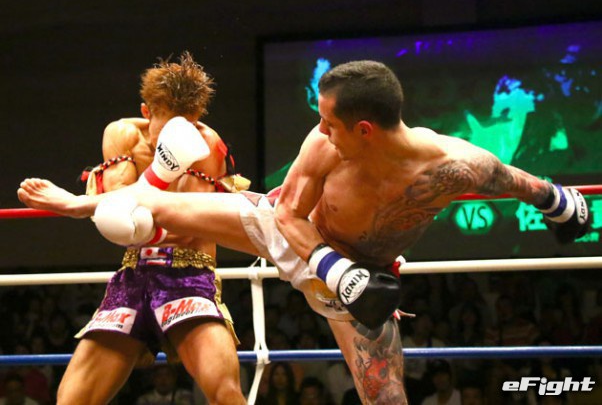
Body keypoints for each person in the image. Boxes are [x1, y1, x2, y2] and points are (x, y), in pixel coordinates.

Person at [18, 60, 591, 404]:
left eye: (328, 120)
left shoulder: (449, 166)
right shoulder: (323, 146)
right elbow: (288, 215)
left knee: (386, 397)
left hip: (361, 279)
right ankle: (77, 204)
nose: (318, 129)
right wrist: (335, 270)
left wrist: (556, 200)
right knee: (148, 207)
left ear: (364, 129)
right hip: (292, 235)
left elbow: (506, 177)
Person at [19, 52, 248, 405]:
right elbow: (117, 219)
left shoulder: (206, 143)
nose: (179, 135)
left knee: (224, 392)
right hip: (134, 274)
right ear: (146, 112)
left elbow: (188, 225)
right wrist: (126, 206)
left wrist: (75, 204)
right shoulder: (122, 134)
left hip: (188, 274)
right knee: (72, 399)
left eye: (188, 125)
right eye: (168, 126)